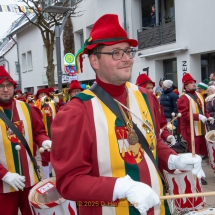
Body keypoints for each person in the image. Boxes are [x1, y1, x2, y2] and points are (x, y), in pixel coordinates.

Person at [51, 14, 205, 215]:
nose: (126, 59)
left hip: (156, 208)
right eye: (116, 53)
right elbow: (68, 182)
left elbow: (151, 142)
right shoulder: (76, 112)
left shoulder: (146, 97)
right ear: (94, 61)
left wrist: (172, 160)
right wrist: (122, 188)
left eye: (127, 51)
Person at [0, 66, 51, 215]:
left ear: (13, 87)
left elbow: (38, 132)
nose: (5, 89)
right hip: (3, 185)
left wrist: (44, 141)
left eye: (8, 85)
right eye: (1, 86)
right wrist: (4, 175)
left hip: (29, 180)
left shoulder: (28, 108)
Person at [177, 73, 214, 185]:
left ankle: (196, 171)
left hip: (202, 129)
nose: (193, 84)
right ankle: (197, 175)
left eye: (194, 83)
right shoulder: (183, 98)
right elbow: (184, 114)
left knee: (202, 152)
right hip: (191, 130)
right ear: (185, 86)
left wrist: (208, 117)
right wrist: (198, 117)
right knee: (195, 153)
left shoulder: (199, 95)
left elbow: (204, 110)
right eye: (190, 83)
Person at [136, 73, 176, 146]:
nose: (151, 90)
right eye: (148, 88)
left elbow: (162, 124)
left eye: (152, 88)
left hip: (155, 142)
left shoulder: (156, 103)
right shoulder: (135, 103)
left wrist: (167, 136)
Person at [34, 88, 56, 178]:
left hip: (53, 133)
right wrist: (42, 105)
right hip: (43, 134)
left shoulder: (51, 104)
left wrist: (56, 102)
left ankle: (50, 172)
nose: (43, 96)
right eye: (41, 94)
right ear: (38, 96)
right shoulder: (36, 105)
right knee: (45, 156)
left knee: (53, 155)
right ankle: (47, 177)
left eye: (44, 94)